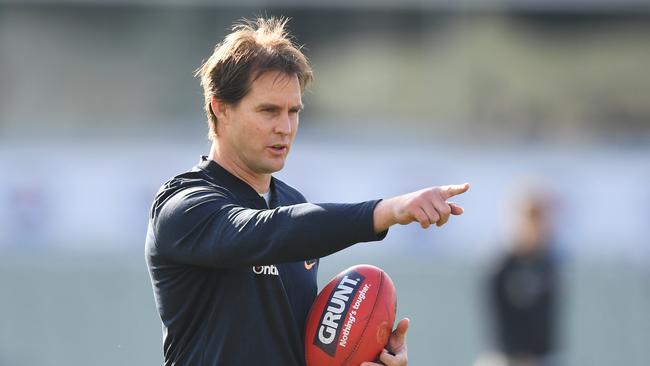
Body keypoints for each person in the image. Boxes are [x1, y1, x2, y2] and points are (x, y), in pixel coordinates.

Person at [145, 17, 470, 366]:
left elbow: (295, 349)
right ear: (220, 108)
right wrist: (386, 211)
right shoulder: (183, 206)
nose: (284, 128)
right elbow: (264, 231)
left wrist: (362, 355)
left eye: (293, 112)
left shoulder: (293, 204)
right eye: (268, 110)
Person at [485, 189, 560, 366]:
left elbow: (547, 319)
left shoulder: (547, 263)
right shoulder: (502, 264)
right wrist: (518, 353)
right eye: (530, 217)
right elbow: (497, 317)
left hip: (542, 358)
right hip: (506, 357)